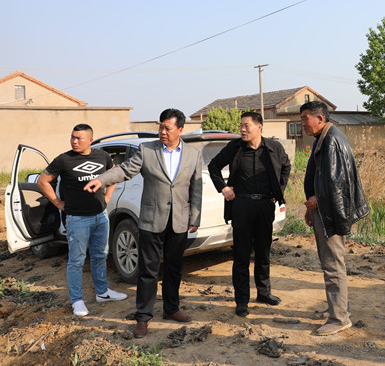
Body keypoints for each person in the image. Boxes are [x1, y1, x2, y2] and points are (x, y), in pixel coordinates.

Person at [84, 108, 202, 338]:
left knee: (174, 268)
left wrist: (194, 217)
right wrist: (101, 180)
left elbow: (196, 188)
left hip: (179, 220)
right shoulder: (147, 150)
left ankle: (171, 309)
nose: (162, 132)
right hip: (151, 219)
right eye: (160, 127)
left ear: (180, 130)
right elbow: (125, 170)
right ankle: (143, 316)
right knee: (148, 270)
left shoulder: (193, 154)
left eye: (167, 128)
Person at [37, 124, 127, 317]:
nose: (74, 141)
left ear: (90, 140)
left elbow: (114, 174)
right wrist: (57, 202)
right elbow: (42, 181)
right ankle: (77, 300)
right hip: (77, 219)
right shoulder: (64, 159)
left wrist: (108, 196)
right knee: (77, 261)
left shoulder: (102, 156)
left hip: (100, 216)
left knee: (100, 255)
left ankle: (102, 292)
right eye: (72, 137)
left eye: (79, 138)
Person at [207, 111, 291, 317]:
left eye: (246, 126)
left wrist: (278, 191)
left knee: (263, 252)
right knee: (241, 256)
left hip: (265, 205)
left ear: (259, 127)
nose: (242, 130)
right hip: (241, 205)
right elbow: (213, 166)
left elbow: (286, 167)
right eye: (241, 126)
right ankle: (242, 300)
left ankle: (264, 293)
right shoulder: (235, 148)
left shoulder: (274, 147)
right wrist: (223, 188)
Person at [300, 100, 369, 336]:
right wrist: (312, 205)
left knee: (333, 263)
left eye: (305, 118)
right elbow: (323, 178)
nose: (302, 123)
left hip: (330, 212)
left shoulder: (332, 140)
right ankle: (337, 307)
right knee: (329, 261)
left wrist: (318, 201)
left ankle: (339, 318)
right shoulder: (323, 138)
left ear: (320, 118)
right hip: (323, 210)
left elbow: (339, 184)